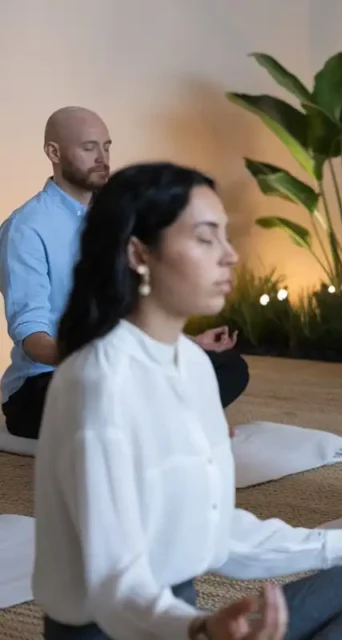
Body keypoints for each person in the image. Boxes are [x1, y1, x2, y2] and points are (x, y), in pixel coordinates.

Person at [32, 162, 342, 639]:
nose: (230, 256)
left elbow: (215, 532)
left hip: (184, 616)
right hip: (117, 627)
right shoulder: (98, 383)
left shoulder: (189, 364)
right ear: (138, 254)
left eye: (225, 237)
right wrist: (201, 630)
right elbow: (112, 584)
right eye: (206, 238)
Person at [0, 106, 249, 440]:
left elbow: (128, 317)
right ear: (54, 152)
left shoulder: (115, 219)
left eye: (106, 146)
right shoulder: (26, 228)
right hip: (44, 384)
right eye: (89, 148)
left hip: (117, 368)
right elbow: (34, 341)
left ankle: (166, 416)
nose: (102, 157)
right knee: (114, 388)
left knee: (227, 367)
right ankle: (179, 419)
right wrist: (104, 356)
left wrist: (184, 343)